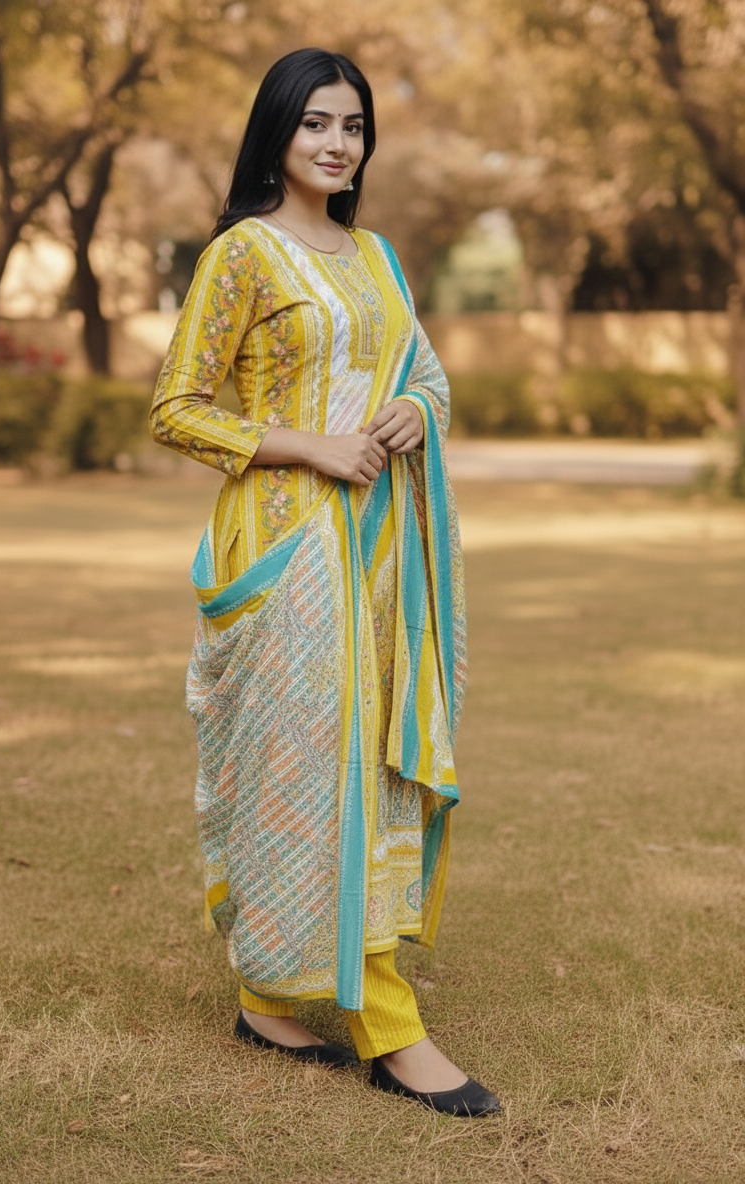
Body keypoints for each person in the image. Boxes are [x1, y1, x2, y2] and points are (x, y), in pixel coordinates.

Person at [149, 47, 499, 1118]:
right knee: (304, 769)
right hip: (286, 550)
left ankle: (268, 996)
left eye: (352, 125)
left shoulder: (377, 256)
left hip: (380, 553)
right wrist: (313, 445)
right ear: (278, 133)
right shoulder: (243, 254)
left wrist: (413, 413)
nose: (337, 143)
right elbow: (177, 407)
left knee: (363, 768)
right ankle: (391, 1025)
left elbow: (425, 376)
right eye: (315, 123)